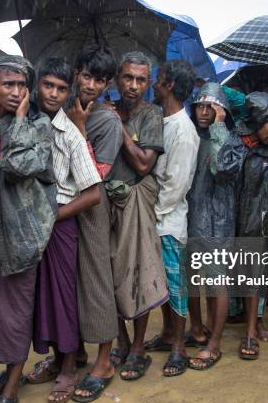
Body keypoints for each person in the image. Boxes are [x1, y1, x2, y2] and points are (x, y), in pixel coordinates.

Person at [0, 55, 57, 403]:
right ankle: (6, 369)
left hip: (24, 229)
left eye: (22, 84)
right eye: (8, 84)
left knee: (19, 305)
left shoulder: (39, 125)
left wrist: (22, 118)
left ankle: (12, 383)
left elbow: (18, 165)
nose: (16, 91)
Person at [27, 57, 102, 403]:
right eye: (48, 86)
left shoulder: (69, 134)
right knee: (41, 297)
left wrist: (54, 216)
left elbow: (94, 193)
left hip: (59, 226)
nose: (54, 94)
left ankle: (70, 368)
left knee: (62, 297)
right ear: (37, 84)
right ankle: (56, 359)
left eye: (60, 88)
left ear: (68, 91)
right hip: (29, 226)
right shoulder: (23, 123)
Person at [213, 91, 268, 360]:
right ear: (259, 120)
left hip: (255, 219)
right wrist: (246, 145)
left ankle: (251, 332)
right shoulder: (236, 138)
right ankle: (215, 329)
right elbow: (222, 170)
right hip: (227, 220)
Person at [62, 44, 123, 403]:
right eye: (87, 76)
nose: (92, 85)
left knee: (97, 280)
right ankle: (73, 356)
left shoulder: (108, 121)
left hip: (92, 207)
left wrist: (81, 128)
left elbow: (99, 174)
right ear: (76, 73)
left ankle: (104, 361)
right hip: (62, 204)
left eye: (100, 80)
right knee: (66, 282)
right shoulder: (63, 108)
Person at [107, 51, 168, 380]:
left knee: (139, 271)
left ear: (148, 82)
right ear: (116, 78)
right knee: (108, 270)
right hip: (104, 201)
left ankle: (139, 346)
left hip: (136, 198)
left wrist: (117, 126)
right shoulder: (103, 110)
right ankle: (122, 339)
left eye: (140, 79)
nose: (133, 85)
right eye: (128, 78)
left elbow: (144, 164)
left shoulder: (151, 114)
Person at [141, 60, 199, 377]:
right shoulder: (162, 120)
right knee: (161, 284)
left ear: (170, 86)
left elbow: (176, 186)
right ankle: (167, 334)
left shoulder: (184, 131)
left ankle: (179, 345)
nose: (153, 85)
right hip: (157, 217)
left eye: (158, 80)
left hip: (168, 221)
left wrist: (151, 216)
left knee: (175, 286)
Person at [184, 82, 235, 370]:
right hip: (192, 219)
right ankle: (198, 329)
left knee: (217, 284)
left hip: (217, 223)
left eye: (210, 108)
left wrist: (218, 127)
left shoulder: (228, 138)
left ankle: (215, 344)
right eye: (199, 107)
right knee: (192, 279)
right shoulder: (191, 135)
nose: (203, 112)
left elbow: (222, 169)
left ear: (221, 111)